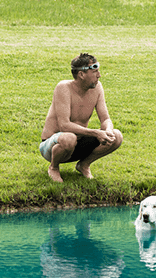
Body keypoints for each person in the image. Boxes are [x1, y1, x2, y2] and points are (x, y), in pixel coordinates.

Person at [39, 54, 123, 182]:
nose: (99, 75)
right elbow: (64, 125)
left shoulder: (97, 87)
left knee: (117, 136)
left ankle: (83, 165)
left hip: (78, 143)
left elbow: (105, 119)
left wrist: (108, 131)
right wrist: (96, 132)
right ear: (81, 75)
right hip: (53, 146)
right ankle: (54, 167)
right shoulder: (63, 88)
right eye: (94, 72)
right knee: (69, 137)